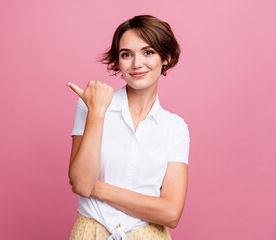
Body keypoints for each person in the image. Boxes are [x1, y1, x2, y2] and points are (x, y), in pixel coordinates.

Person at [66, 15, 190, 240]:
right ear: (118, 61)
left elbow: (171, 213)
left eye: (148, 52)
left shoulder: (175, 128)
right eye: (126, 54)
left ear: (166, 57)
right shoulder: (91, 104)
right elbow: (82, 183)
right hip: (90, 233)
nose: (136, 63)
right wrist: (97, 113)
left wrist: (98, 189)